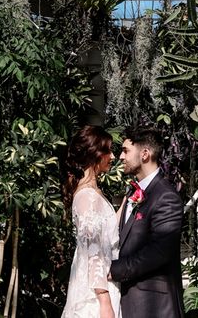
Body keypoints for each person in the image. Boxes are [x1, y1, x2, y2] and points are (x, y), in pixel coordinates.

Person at [109, 127, 184, 318]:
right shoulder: (132, 193)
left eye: (126, 151)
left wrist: (113, 270)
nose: (120, 156)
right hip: (127, 301)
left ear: (145, 154)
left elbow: (159, 252)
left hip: (154, 306)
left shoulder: (166, 196)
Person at [62, 125, 122, 318]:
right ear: (95, 154)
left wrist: (130, 202)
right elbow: (94, 252)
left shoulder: (91, 193)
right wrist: (104, 302)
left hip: (104, 283)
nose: (112, 157)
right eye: (108, 151)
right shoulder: (87, 197)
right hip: (96, 292)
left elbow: (107, 228)